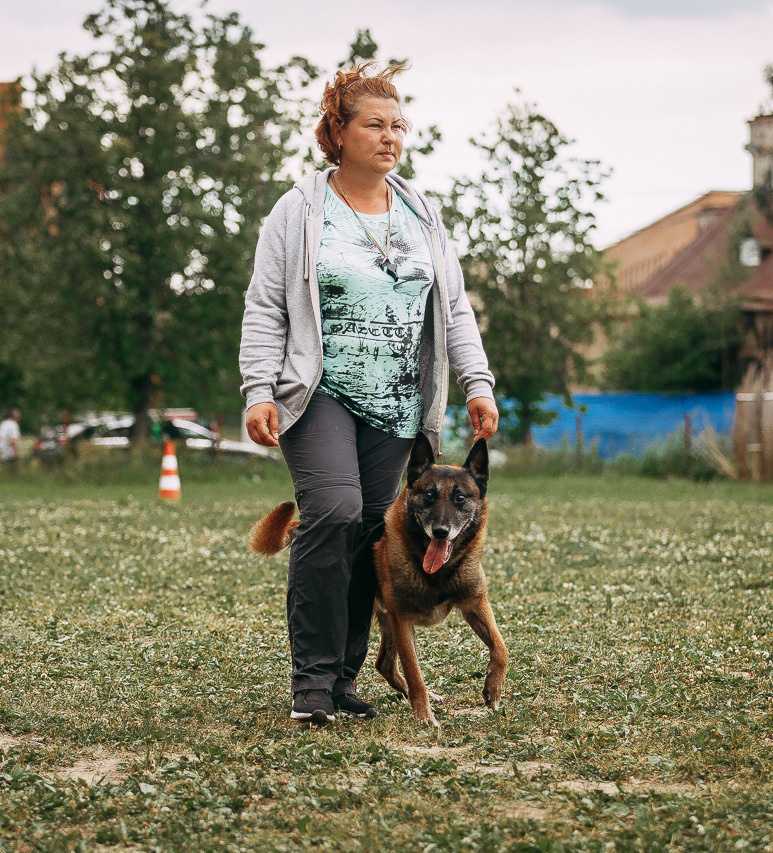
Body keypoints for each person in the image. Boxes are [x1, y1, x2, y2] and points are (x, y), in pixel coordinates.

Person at [239, 63, 499, 725]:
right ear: (338, 132)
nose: (391, 137)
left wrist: (477, 382)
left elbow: (455, 308)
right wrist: (257, 390)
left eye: (398, 125)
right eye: (375, 125)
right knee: (333, 509)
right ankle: (311, 685)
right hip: (319, 391)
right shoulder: (299, 211)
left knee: (366, 535)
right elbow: (266, 306)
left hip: (399, 403)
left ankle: (346, 680)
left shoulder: (419, 214)